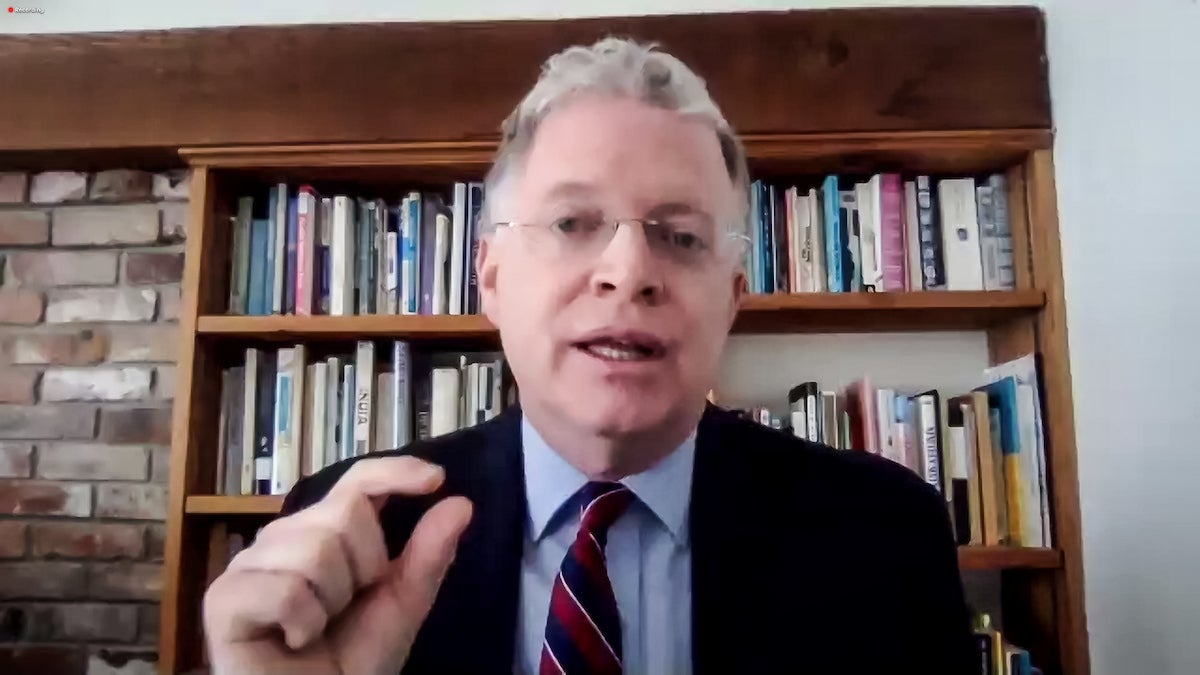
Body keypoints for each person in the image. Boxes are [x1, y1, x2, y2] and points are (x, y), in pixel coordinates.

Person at [203, 37, 976, 674]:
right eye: (573, 221)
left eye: (680, 236)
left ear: (733, 296)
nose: (629, 271)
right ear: (493, 280)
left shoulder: (885, 532)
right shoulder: (354, 532)